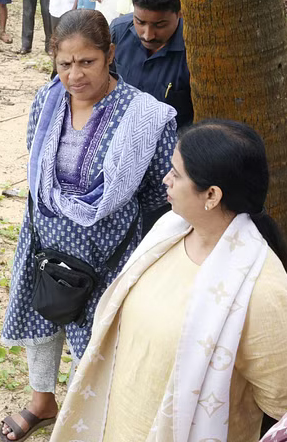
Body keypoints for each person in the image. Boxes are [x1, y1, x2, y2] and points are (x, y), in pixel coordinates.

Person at [0, 9, 177, 442]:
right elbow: (37, 161)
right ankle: (43, 402)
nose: (75, 75)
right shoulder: (47, 100)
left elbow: (157, 189)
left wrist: (105, 220)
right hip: (44, 239)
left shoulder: (144, 117)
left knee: (93, 337)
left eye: (87, 62)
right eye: (65, 64)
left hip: (106, 252)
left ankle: (84, 414)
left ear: (110, 54)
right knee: (42, 318)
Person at [51, 119, 287, 442]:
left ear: (212, 195)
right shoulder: (169, 231)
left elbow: (281, 401)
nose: (166, 179)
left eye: (176, 174)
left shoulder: (263, 290)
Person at [111, 0, 191, 128]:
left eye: (160, 25)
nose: (148, 35)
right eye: (140, 22)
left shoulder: (193, 49)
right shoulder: (118, 32)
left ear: (180, 12)